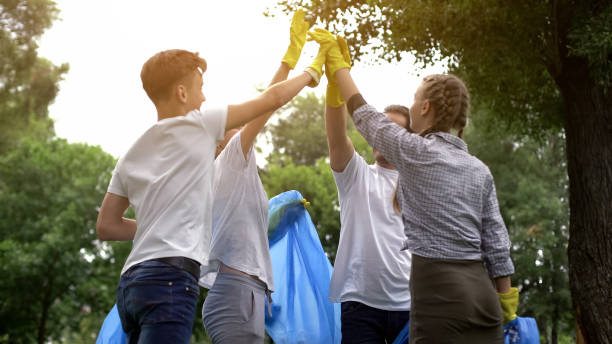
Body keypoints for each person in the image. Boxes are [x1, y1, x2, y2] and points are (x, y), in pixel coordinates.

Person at [95, 23, 327, 343]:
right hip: (171, 280)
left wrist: (154, 225)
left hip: (131, 284)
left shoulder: (132, 154)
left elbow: (106, 226)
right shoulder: (201, 126)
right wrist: (311, 71)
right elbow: (269, 100)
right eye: (200, 87)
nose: (204, 98)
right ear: (182, 92)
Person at [310, 29, 519, 343]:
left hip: (438, 296)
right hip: (483, 296)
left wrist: (341, 70)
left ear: (425, 109)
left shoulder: (416, 153)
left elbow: (365, 117)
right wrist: (506, 303)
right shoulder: (479, 169)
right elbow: (496, 242)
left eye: (415, 99)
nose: (412, 104)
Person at [198, 10, 324, 343]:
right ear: (220, 139)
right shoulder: (228, 160)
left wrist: (290, 56)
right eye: (234, 125)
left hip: (247, 292)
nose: (241, 126)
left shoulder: (229, 173)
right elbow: (267, 103)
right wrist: (299, 64)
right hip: (234, 295)